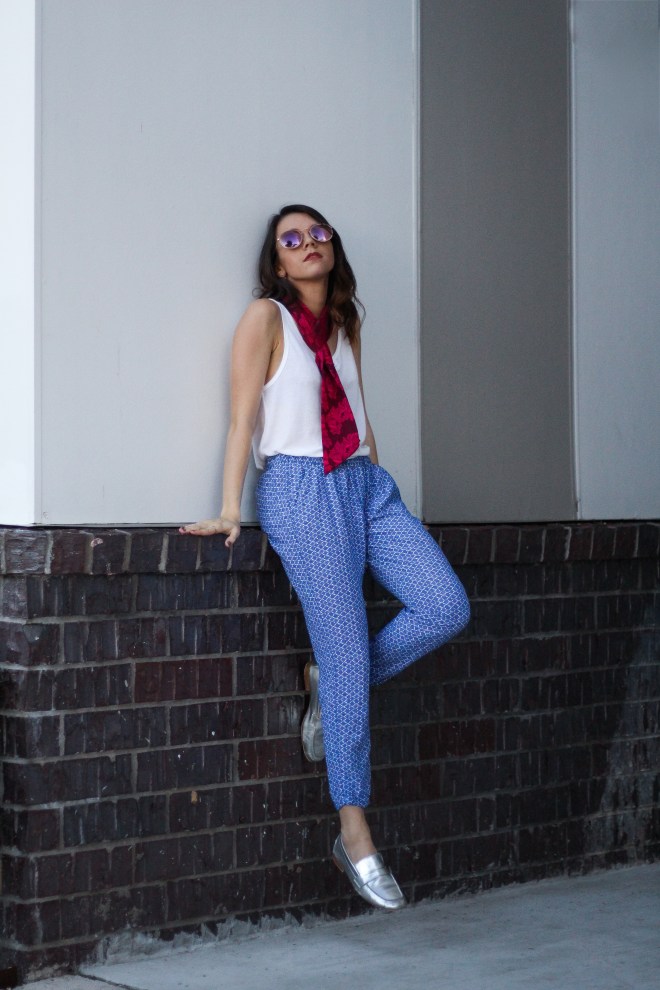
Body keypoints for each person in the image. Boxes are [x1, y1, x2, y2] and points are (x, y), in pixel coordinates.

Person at [180, 204, 470, 910]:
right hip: (302, 489)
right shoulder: (266, 319)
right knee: (345, 654)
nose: (308, 243)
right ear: (277, 261)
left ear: (332, 247)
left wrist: (375, 474)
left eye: (318, 233)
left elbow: (359, 411)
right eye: (292, 238)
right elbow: (243, 418)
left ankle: (331, 682)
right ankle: (354, 830)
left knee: (445, 606)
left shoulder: (345, 323)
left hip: (364, 484)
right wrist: (229, 508)